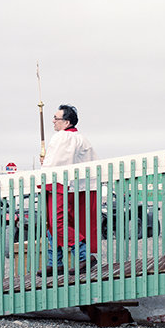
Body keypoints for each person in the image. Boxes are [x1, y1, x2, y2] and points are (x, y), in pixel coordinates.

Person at [40, 104, 98, 276]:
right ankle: (55, 261)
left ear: (66, 122)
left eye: (56, 118)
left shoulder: (63, 137)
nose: (53, 121)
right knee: (54, 223)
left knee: (57, 223)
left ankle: (83, 255)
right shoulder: (80, 138)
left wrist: (45, 166)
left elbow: (57, 164)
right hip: (74, 187)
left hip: (61, 185)